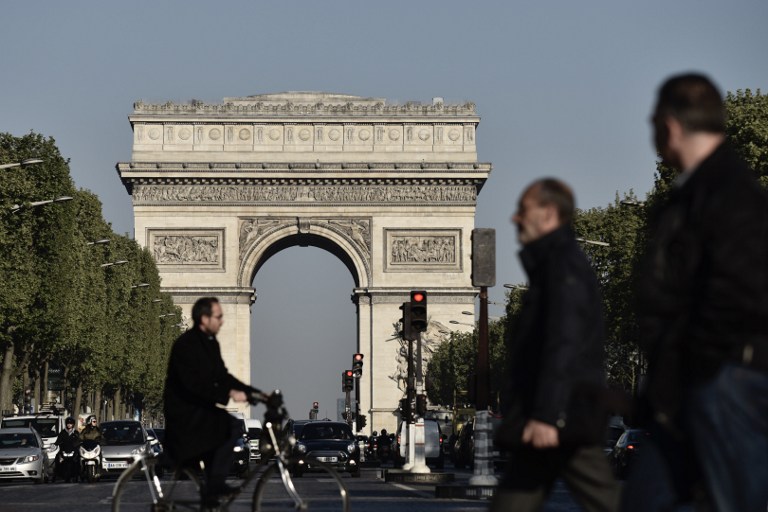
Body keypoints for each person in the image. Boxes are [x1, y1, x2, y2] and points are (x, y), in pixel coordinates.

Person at [625, 73, 768, 512]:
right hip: (694, 386)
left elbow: (736, 297)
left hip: (719, 385)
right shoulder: (703, 191)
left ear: (669, 125)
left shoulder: (725, 194)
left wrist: (690, 366)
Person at [490, 178, 620, 512]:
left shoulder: (562, 266)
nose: (514, 218)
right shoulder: (553, 265)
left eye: (523, 210)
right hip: (551, 414)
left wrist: (548, 414)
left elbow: (565, 341)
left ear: (548, 213)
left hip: (557, 416)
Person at [163, 297, 266, 505]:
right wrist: (228, 395)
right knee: (232, 424)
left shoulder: (210, 343)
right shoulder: (186, 345)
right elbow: (192, 385)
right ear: (204, 318)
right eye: (218, 317)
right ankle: (216, 483)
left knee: (224, 428)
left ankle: (211, 492)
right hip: (184, 413)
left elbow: (223, 376)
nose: (222, 321)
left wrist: (258, 394)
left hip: (198, 410)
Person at [52, 417, 80, 482]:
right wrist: (55, 444)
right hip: (64, 450)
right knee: (57, 458)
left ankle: (78, 474)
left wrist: (78, 444)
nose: (69, 425)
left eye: (70, 424)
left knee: (78, 460)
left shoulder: (76, 433)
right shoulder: (62, 432)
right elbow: (58, 440)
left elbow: (79, 440)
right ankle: (55, 474)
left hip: (73, 451)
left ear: (73, 424)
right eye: (68, 423)